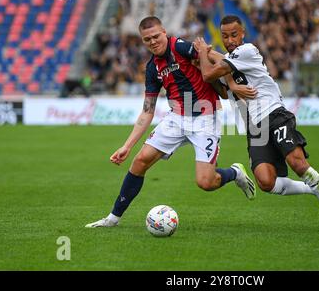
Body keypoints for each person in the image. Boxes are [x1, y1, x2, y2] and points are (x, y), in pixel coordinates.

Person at [85, 16, 256, 228]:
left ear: (164, 32)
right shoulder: (151, 68)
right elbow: (147, 111)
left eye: (156, 36)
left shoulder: (181, 47)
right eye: (147, 39)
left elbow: (219, 58)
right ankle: (113, 218)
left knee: (206, 182)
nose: (153, 42)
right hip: (176, 119)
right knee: (139, 162)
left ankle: (235, 173)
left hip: (205, 118)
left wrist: (232, 83)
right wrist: (127, 146)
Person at [193, 15, 319, 234]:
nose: (230, 40)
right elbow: (222, 89)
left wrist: (203, 53)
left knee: (298, 164)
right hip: (254, 126)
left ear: (243, 34)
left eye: (234, 35)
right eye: (224, 36)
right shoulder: (229, 61)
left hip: (274, 114)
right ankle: (314, 188)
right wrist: (230, 84)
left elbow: (208, 74)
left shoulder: (247, 50)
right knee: (266, 182)